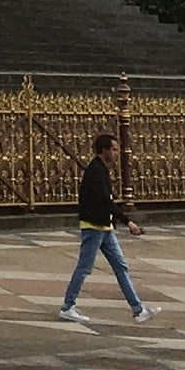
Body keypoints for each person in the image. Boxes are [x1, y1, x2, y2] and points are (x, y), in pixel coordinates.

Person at [60, 133, 152, 324]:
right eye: (114, 149)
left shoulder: (101, 169)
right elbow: (105, 201)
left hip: (104, 226)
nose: (116, 153)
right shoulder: (96, 171)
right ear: (104, 150)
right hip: (94, 227)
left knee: (120, 266)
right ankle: (68, 307)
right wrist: (128, 222)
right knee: (84, 267)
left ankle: (138, 308)